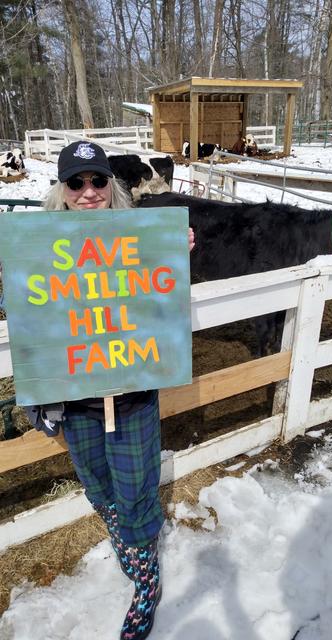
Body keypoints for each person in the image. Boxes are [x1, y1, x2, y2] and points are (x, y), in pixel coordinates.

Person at [28, 140, 195, 640]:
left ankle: (146, 578)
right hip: (76, 397)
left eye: (97, 180)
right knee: (98, 486)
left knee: (136, 489)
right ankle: (126, 543)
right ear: (62, 189)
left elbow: (162, 309)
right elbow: (32, 315)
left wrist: (174, 254)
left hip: (130, 391)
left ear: (111, 184)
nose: (88, 192)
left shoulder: (138, 237)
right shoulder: (39, 246)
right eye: (76, 182)